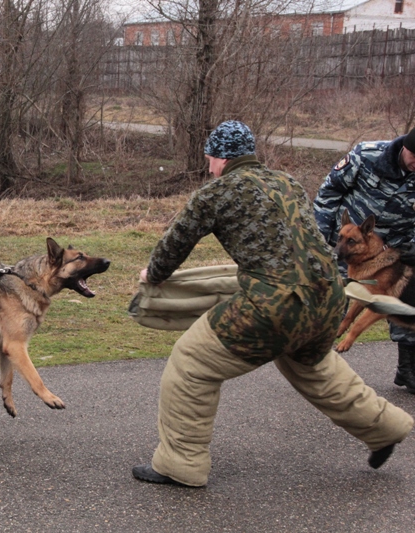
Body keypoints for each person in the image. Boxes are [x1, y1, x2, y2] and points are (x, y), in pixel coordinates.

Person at [132, 120, 414, 488]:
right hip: (328, 294)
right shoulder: (287, 182)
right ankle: (386, 427)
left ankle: (180, 464)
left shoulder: (214, 193)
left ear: (218, 158)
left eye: (209, 159)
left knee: (190, 363)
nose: (209, 166)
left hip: (273, 304)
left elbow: (175, 243)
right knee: (315, 369)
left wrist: (151, 274)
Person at [314, 128, 415, 393]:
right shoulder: (366, 155)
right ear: (405, 147)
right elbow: (330, 191)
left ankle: (408, 370)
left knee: (403, 301)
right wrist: (322, 234)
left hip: (398, 250)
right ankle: (318, 366)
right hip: (349, 246)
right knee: (334, 301)